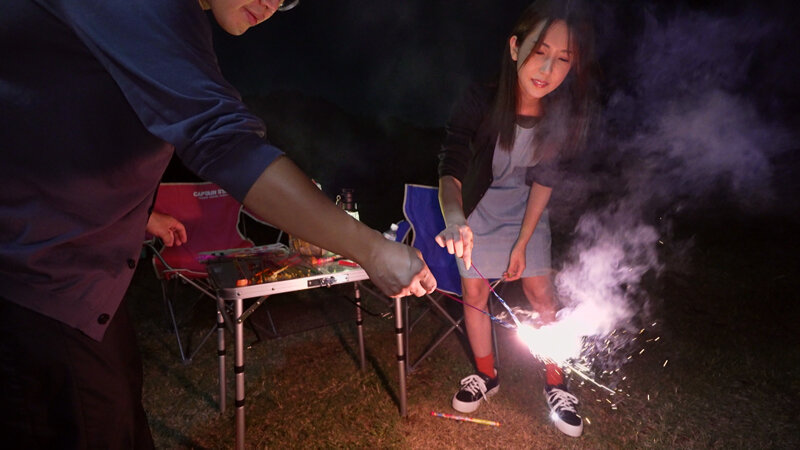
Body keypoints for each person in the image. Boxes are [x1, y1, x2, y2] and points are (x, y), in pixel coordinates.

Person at [0, 0, 435, 447]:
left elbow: (63, 121)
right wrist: (372, 250)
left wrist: (143, 215)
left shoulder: (173, 17)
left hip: (84, 284)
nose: (271, 3)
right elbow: (222, 140)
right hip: (35, 281)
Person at [435, 0, 596, 438]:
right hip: (475, 213)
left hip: (528, 213)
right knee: (474, 292)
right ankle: (486, 374)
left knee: (541, 291)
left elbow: (545, 180)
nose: (547, 69)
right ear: (514, 47)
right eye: (540, 52)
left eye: (563, 59)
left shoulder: (559, 117)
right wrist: (455, 218)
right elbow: (451, 164)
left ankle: (557, 383)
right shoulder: (480, 100)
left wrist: (523, 243)